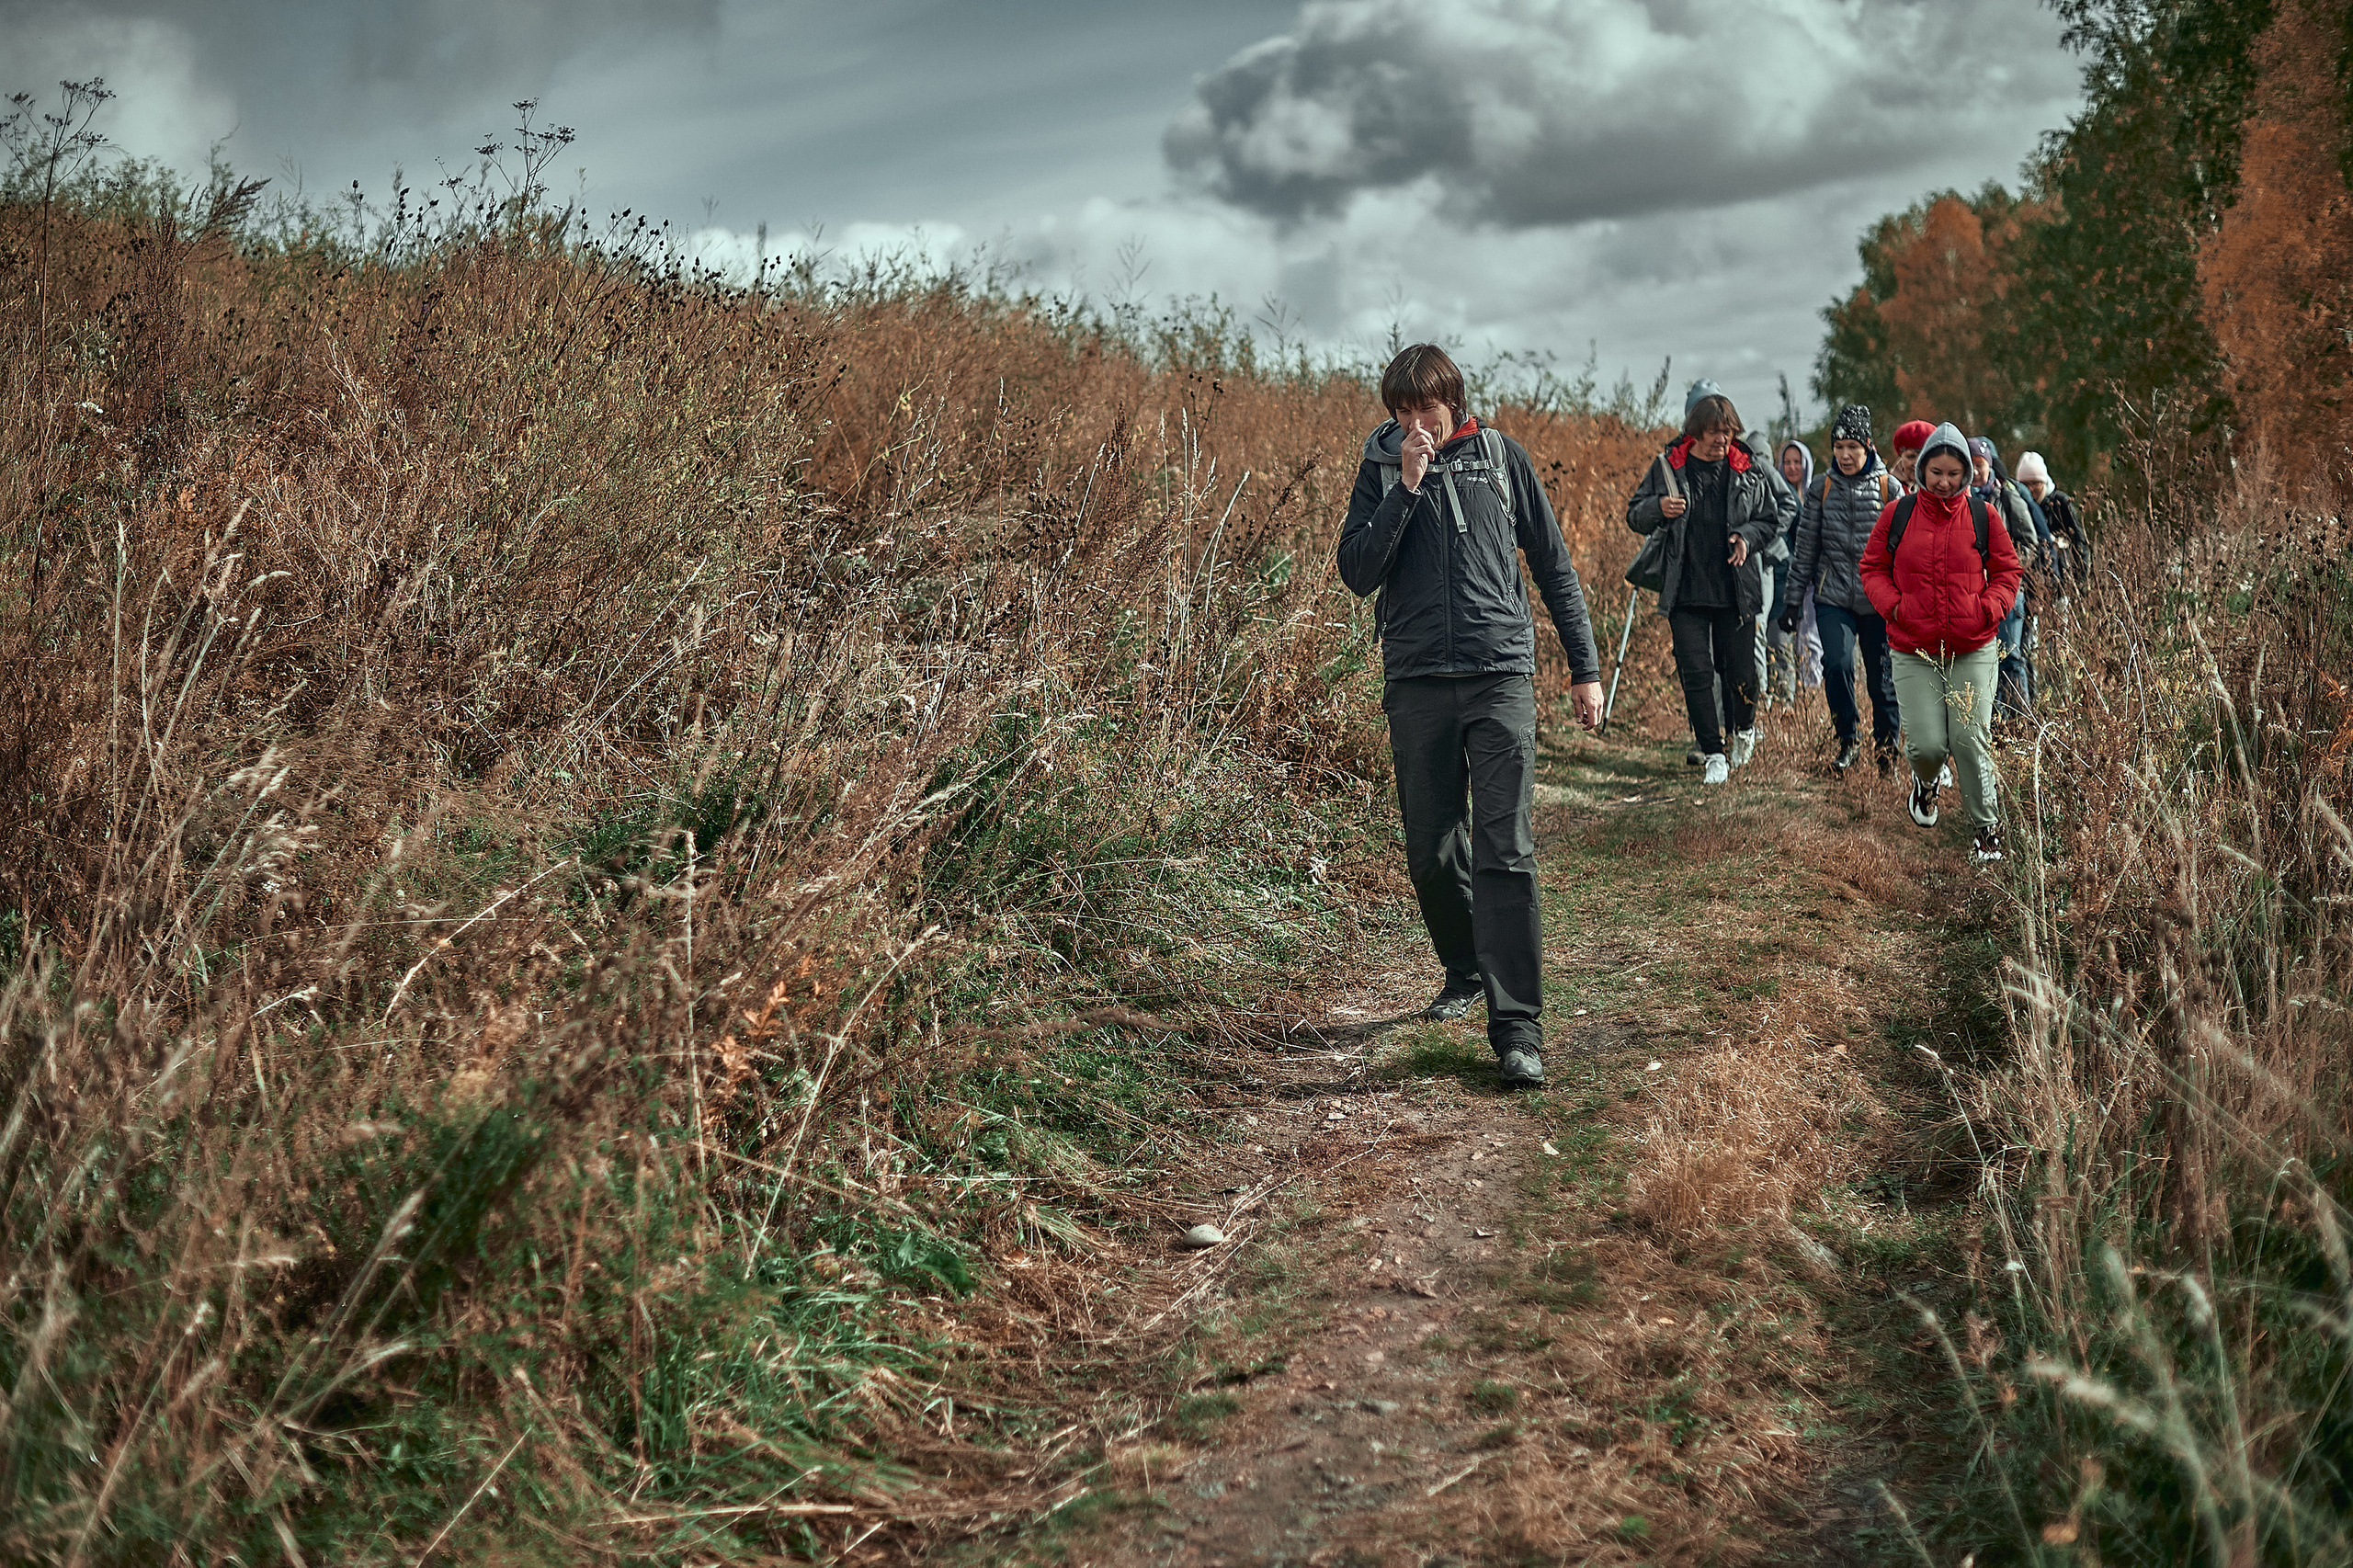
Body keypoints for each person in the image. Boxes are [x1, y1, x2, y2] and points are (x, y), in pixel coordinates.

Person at [1337, 344, 1605, 1091]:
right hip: (1417, 679)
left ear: (1454, 401)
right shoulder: (1381, 469)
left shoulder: (1502, 458)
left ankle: (1520, 1031)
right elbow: (1357, 572)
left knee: (1505, 849)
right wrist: (1407, 489)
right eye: (1403, 412)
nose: (1417, 423)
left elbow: (1553, 565)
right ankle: (1464, 968)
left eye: (1428, 408)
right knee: (1431, 847)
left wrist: (1584, 669)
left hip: (1499, 677)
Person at [1859, 423, 2022, 863]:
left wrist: (1988, 608)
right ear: (1922, 470)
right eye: (1936, 472)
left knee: (1970, 739)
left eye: (1954, 473)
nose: (1944, 481)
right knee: (1927, 746)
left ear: (1967, 474)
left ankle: (1987, 831)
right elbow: (1872, 567)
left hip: (1972, 646)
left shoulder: (1983, 516)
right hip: (1914, 648)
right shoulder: (1898, 514)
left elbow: (2009, 572)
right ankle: (1927, 782)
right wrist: (1895, 607)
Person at [1624, 392, 1784, 787]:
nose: (1722, 440)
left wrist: (1747, 537)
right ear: (1695, 432)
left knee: (1742, 675)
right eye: (1715, 432)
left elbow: (1769, 520)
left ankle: (1744, 730)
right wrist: (1658, 508)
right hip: (1686, 591)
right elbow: (1634, 514)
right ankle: (1713, 752)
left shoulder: (1748, 469)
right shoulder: (1669, 467)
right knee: (1695, 672)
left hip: (1736, 591)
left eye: (1728, 432)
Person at [1780, 404, 1902, 772]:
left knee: (1883, 683)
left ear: (1868, 446)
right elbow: (1806, 548)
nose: (1845, 455)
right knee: (1836, 664)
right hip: (1833, 596)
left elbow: (1903, 551)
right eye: (1838, 447)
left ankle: (1886, 753)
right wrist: (1791, 601)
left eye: (1852, 447)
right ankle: (1848, 740)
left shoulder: (1889, 488)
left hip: (1878, 601)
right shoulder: (1822, 488)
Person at [1967, 437, 2049, 721]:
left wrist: (2004, 568)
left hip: (2010, 592)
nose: (1976, 472)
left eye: (1980, 465)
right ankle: (1994, 724)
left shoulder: (2007, 496)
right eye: (1971, 465)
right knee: (1982, 661)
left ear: (1990, 466)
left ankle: (2020, 725)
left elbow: (2030, 542)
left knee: (2011, 657)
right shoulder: (1960, 500)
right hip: (1973, 595)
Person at [1772, 437, 1827, 703]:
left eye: (1798, 462)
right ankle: (1788, 700)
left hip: (1816, 583)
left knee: (1812, 642)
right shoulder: (1777, 499)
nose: (1793, 467)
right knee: (1782, 642)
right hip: (1787, 581)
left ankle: (1812, 697)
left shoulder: (1818, 494)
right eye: (1787, 462)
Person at [2015, 451, 2087, 599]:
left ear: (2044, 482)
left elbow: (2079, 541)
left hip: (2062, 582)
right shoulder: (2017, 505)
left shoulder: (2060, 503)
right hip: (2031, 584)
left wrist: (2080, 580)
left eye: (2035, 483)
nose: (2030, 489)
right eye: (2025, 484)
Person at [1889, 420, 1934, 493]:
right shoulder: (1885, 489)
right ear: (1901, 457)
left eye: (1924, 457)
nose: (1917, 463)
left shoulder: (1947, 489)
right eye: (1911, 456)